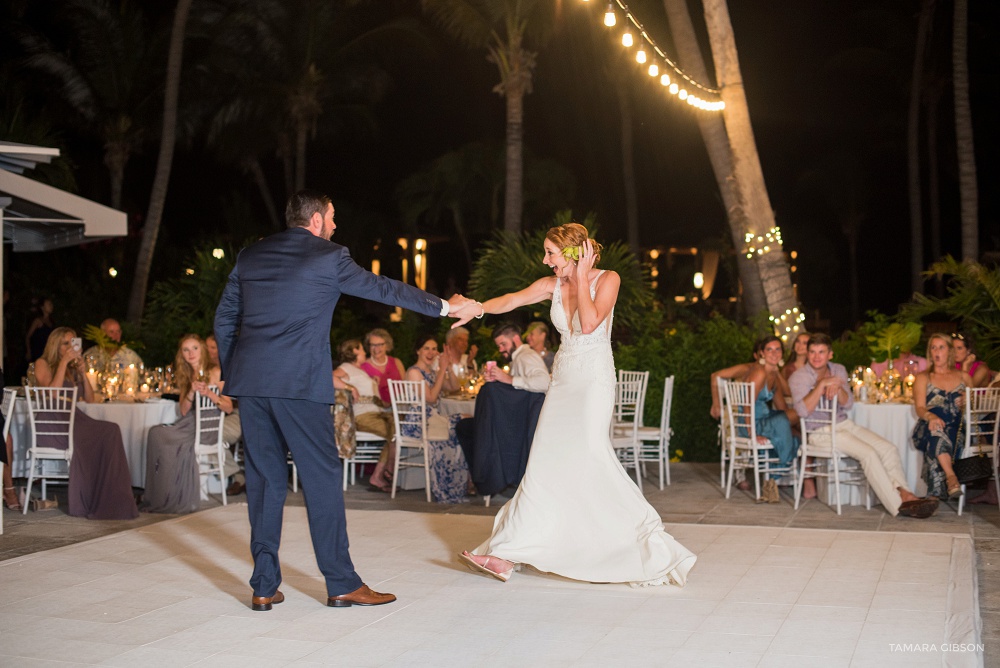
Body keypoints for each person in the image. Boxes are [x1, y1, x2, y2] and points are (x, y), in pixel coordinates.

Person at [214, 189, 476, 611]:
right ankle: (340, 582)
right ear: (316, 219)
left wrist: (237, 372)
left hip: (252, 385)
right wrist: (445, 306)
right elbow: (384, 288)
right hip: (299, 385)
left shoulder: (251, 256)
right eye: (332, 217)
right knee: (321, 479)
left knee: (264, 481)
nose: (335, 226)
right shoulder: (327, 256)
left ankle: (264, 584)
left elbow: (225, 317)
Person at [459, 223, 696, 586]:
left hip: (592, 382)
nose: (544, 260)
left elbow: (588, 324)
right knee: (542, 462)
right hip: (563, 381)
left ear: (572, 254)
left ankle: (643, 546)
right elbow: (511, 300)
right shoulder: (551, 285)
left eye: (550, 253)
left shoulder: (608, 279)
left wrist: (583, 277)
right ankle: (506, 553)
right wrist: (475, 308)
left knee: (591, 458)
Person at [789, 333, 939, 518]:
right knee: (868, 454)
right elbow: (802, 412)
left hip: (844, 424)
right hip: (819, 432)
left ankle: (905, 493)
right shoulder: (799, 377)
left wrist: (837, 386)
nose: (816, 356)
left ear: (830, 354)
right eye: (812, 352)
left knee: (888, 449)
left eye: (821, 352)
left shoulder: (838, 369)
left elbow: (848, 403)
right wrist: (822, 385)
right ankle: (899, 505)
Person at [32, 327, 138, 520]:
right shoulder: (42, 363)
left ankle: (113, 498)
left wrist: (83, 373)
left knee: (111, 429)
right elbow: (52, 394)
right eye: (66, 343)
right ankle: (92, 498)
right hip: (53, 422)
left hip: (75, 418)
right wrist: (64, 362)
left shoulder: (72, 369)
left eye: (73, 343)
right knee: (106, 432)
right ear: (55, 345)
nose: (70, 347)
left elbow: (90, 399)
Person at [141, 334, 235, 514]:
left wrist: (209, 393)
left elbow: (229, 407)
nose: (190, 353)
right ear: (181, 354)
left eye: (194, 348)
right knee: (155, 433)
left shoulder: (217, 371)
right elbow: (183, 411)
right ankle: (161, 495)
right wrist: (191, 391)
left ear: (202, 350)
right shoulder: (185, 375)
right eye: (186, 349)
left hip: (208, 426)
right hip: (189, 421)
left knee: (167, 438)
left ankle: (176, 495)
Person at [456, 323, 549, 497]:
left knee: (470, 429)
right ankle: (488, 477)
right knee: (468, 428)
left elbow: (544, 383)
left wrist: (508, 380)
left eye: (503, 344)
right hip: (516, 423)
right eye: (499, 346)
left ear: (515, 339)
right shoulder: (518, 359)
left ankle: (487, 478)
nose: (501, 349)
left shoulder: (526, 356)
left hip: (521, 425)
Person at [404, 335, 471, 503]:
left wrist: (446, 366)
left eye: (434, 349)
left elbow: (455, 387)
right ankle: (449, 485)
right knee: (463, 423)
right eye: (426, 348)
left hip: (433, 420)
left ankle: (459, 484)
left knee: (467, 421)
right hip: (419, 422)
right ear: (418, 350)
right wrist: (441, 370)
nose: (431, 352)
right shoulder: (413, 372)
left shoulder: (432, 372)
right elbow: (431, 398)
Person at [912, 334, 973, 500]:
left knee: (937, 439)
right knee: (936, 431)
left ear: (950, 352)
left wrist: (968, 400)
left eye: (941, 347)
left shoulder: (964, 377)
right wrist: (930, 416)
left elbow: (973, 410)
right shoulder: (923, 378)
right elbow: (919, 408)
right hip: (928, 427)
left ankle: (933, 497)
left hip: (957, 430)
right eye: (933, 347)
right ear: (929, 352)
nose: (937, 352)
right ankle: (951, 478)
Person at [741, 336, 799, 503]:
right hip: (751, 423)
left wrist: (777, 372)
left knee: (795, 436)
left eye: (778, 349)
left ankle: (771, 477)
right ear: (761, 353)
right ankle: (772, 477)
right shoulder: (759, 372)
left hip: (764, 419)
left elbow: (784, 401)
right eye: (769, 350)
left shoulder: (772, 372)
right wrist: (752, 434)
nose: (774, 353)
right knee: (782, 422)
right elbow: (746, 405)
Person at [336, 339, 396, 492]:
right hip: (363, 415)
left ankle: (383, 472)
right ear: (354, 351)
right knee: (396, 434)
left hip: (376, 413)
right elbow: (330, 377)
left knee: (397, 432)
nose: (365, 351)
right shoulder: (346, 367)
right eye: (362, 348)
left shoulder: (360, 370)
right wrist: (350, 388)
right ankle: (382, 474)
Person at [206, 334, 245, 496]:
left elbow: (229, 405)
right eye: (207, 348)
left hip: (238, 414)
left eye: (213, 348)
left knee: (213, 436)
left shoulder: (230, 367)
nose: (210, 352)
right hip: (213, 417)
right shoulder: (203, 370)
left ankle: (238, 476)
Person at [359, 329, 406, 405]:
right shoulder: (363, 367)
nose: (376, 348)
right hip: (377, 409)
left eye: (380, 344)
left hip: (400, 406)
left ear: (387, 346)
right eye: (373, 345)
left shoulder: (396, 362)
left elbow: (406, 387)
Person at [440, 327, 478, 394]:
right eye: (460, 339)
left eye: (466, 341)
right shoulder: (440, 360)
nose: (464, 343)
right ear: (450, 341)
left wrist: (469, 363)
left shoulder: (469, 360)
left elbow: (474, 384)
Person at [25, 297, 55, 364]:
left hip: (49, 352)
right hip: (38, 352)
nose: (51, 306)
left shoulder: (52, 322)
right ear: (42, 307)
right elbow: (28, 337)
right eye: (49, 304)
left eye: (51, 304)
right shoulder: (38, 321)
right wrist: (28, 351)